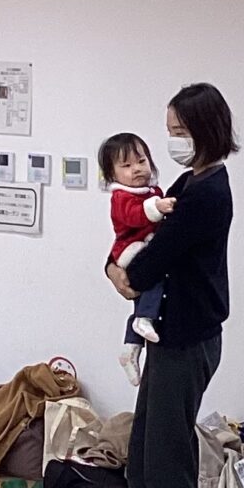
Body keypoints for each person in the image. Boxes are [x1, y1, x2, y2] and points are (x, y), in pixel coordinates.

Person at [109, 82, 235, 488]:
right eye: (169, 130)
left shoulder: (208, 193)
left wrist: (121, 272)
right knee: (140, 459)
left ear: (204, 130)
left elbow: (151, 261)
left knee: (165, 460)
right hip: (168, 335)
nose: (171, 141)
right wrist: (116, 268)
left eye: (179, 130)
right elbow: (135, 248)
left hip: (187, 340)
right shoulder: (188, 181)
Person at [100, 131, 172, 378]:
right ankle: (143, 319)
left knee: (145, 296)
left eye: (141, 161)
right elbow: (135, 216)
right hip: (129, 250)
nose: (137, 169)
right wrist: (157, 207)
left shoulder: (153, 191)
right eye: (126, 165)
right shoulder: (121, 197)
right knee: (156, 276)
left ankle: (131, 348)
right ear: (112, 174)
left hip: (141, 246)